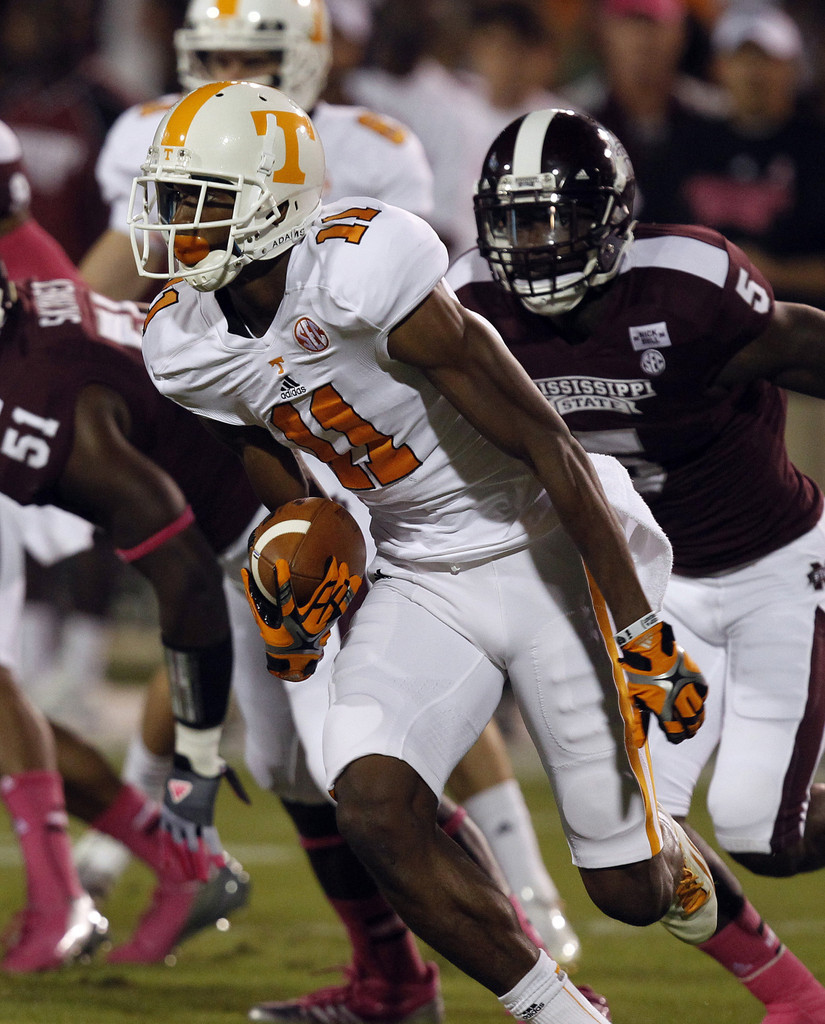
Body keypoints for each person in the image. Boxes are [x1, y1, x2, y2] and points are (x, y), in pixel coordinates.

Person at [134, 79, 715, 1024]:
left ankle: (669, 853)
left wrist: (642, 627)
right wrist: (304, 545)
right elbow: (263, 444)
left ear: (275, 202)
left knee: (630, 893)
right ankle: (561, 1013)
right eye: (169, 199)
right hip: (414, 562)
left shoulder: (364, 269)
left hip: (540, 549)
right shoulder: (182, 342)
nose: (173, 225)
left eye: (200, 200)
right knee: (367, 802)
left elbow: (548, 445)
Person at [77, 0, 586, 981]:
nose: (231, 66)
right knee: (290, 762)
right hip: (278, 486)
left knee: (376, 741)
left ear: (309, 54)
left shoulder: (371, 160)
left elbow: (427, 326)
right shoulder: (168, 220)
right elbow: (118, 288)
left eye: (253, 51)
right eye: (215, 51)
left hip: (387, 478)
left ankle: (529, 922)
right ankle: (391, 975)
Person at [446, 105, 825, 1024]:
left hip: (773, 564)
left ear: (611, 217)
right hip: (649, 592)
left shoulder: (687, 282)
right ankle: (794, 999)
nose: (529, 246)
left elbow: (804, 341)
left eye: (552, 218)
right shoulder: (467, 305)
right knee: (641, 848)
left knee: (756, 830)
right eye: (512, 220)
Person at [560, 0, 723, 223]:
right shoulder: (571, 116)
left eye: (656, 24)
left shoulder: (717, 113)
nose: (643, 39)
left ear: (682, 33)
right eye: (629, 24)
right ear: (602, 31)